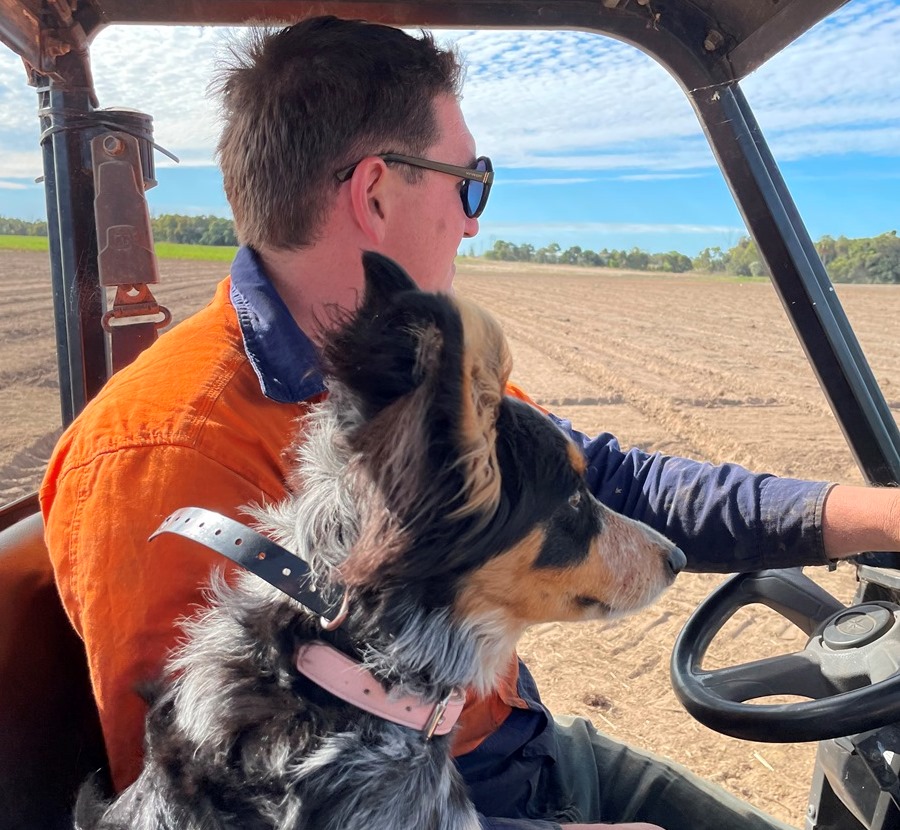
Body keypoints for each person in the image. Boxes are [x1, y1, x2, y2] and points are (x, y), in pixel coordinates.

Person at [40, 16, 900, 830]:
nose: (476, 218)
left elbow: (609, 483)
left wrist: (879, 519)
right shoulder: (162, 450)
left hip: (527, 754)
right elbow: (218, 801)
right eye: (471, 180)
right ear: (376, 190)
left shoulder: (426, 386)